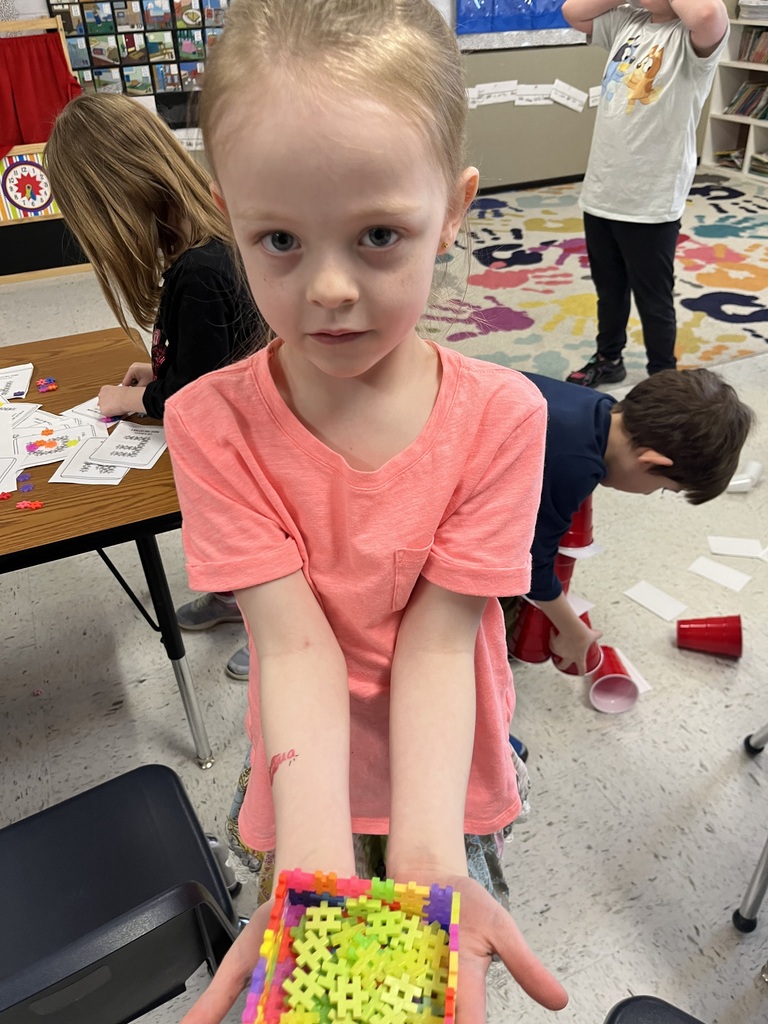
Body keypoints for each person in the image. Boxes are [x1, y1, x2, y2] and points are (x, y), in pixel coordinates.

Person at [163, 1, 569, 1021]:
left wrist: (427, 867)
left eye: (380, 234)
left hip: (444, 773)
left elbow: (441, 647)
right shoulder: (211, 423)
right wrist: (310, 874)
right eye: (281, 240)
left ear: (456, 207)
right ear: (230, 215)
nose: (330, 288)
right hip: (305, 778)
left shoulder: (504, 419)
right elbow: (291, 649)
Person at [500, 368, 754, 675]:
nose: (650, 494)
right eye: (662, 488)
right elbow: (530, 564)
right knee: (498, 597)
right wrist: (573, 631)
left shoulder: (598, 406)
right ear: (651, 461)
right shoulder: (574, 465)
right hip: (432, 490)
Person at [44, 93, 262, 421]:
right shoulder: (208, 250)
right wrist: (164, 375)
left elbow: (196, 400)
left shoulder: (199, 274)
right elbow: (217, 366)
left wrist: (132, 399)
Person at [561, 0, 730, 387]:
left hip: (650, 197)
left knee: (653, 297)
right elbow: (572, 11)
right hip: (604, 187)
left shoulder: (693, 37)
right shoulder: (627, 22)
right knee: (610, 288)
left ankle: (662, 376)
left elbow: (705, 14)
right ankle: (609, 358)